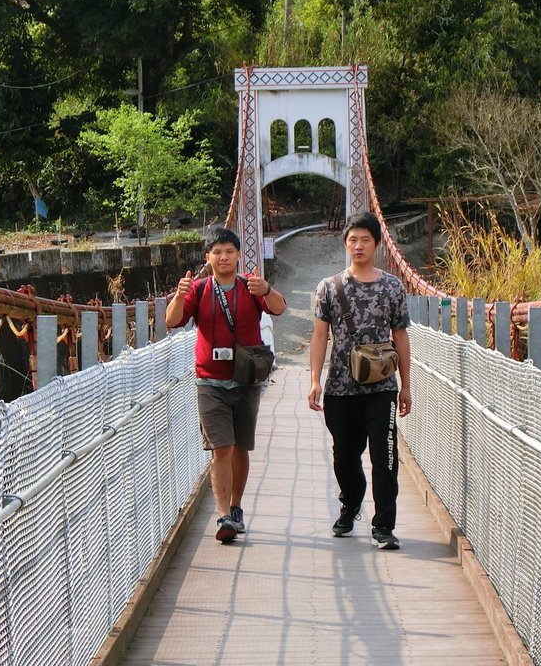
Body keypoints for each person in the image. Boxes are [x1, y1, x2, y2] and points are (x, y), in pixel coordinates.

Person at [165, 227, 287, 543]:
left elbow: (279, 308)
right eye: (217, 251)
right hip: (210, 380)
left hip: (246, 378)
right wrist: (179, 296)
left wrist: (267, 289)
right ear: (208, 257)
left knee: (241, 446)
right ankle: (223, 516)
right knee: (223, 446)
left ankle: (235, 508)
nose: (223, 257)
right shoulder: (200, 289)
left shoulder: (251, 286)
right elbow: (171, 320)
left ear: (237, 256)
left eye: (229, 251)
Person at [308, 211, 412, 550]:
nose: (358, 245)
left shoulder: (392, 286)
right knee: (344, 458)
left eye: (365, 239)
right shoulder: (329, 287)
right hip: (340, 387)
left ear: (377, 245)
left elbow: (401, 335)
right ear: (345, 244)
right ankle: (351, 502)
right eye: (352, 239)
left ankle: (383, 526)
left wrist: (406, 384)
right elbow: (320, 336)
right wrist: (314, 380)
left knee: (385, 458)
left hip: (382, 388)